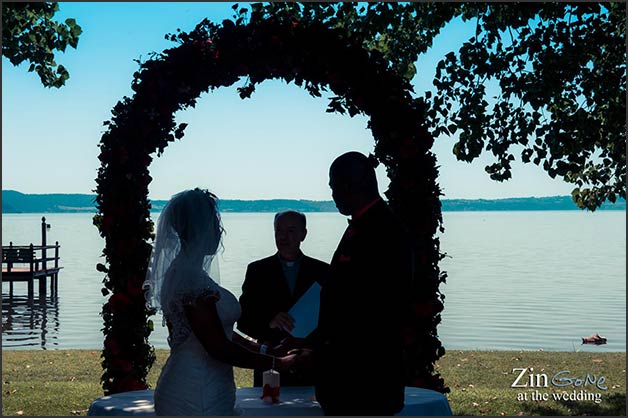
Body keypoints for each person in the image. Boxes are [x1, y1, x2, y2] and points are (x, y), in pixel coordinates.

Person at [143, 188, 296, 416]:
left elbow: (218, 330)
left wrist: (264, 349)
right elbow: (218, 347)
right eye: (214, 224)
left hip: (204, 385)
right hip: (196, 393)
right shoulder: (190, 281)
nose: (219, 231)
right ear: (199, 229)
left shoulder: (185, 272)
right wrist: (277, 364)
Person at [294, 152, 414, 415]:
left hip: (364, 381)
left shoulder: (383, 231)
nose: (333, 195)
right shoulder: (365, 224)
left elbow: (372, 311)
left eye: (334, 187)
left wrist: (321, 354)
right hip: (352, 380)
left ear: (350, 184)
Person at [237, 210, 329, 386]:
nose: (283, 237)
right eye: (279, 231)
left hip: (310, 363)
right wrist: (268, 322)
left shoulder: (323, 271)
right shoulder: (257, 271)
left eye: (291, 231)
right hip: (271, 364)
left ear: (304, 234)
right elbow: (243, 321)